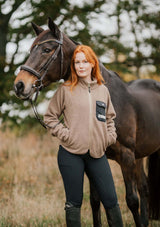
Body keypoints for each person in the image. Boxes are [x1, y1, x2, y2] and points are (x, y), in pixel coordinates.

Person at [44, 45, 123, 227]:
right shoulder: (65, 90)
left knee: (111, 200)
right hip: (70, 154)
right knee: (74, 202)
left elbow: (110, 119)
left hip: (97, 154)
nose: (81, 66)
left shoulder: (102, 90)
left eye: (85, 62)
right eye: (77, 62)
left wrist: (108, 138)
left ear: (92, 64)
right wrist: (66, 135)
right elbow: (50, 117)